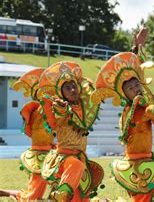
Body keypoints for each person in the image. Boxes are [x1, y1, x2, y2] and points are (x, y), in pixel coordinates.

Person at [92, 51, 154, 201]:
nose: (136, 89)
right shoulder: (135, 111)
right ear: (124, 94)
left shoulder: (136, 107)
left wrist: (137, 48)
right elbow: (148, 112)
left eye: (137, 84)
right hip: (136, 164)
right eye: (131, 88)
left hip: (148, 160)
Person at [38, 61, 104, 201]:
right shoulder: (60, 107)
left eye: (74, 86)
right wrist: (61, 107)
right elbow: (60, 113)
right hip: (65, 159)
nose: (73, 89)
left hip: (81, 157)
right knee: (75, 165)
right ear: (61, 93)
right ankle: (61, 193)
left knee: (81, 196)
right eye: (67, 88)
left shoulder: (85, 109)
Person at [5, 68, 54, 200]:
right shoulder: (39, 109)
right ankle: (9, 193)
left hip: (51, 151)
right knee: (32, 195)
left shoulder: (48, 108)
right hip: (40, 153)